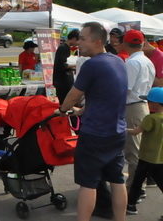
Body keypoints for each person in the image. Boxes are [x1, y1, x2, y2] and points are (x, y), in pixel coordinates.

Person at [58, 22, 128, 221]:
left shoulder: (92, 64)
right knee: (117, 179)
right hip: (117, 132)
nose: (78, 42)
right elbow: (105, 95)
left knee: (88, 183)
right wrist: (82, 110)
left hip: (96, 133)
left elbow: (73, 95)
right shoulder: (117, 61)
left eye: (82, 38)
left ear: (97, 41)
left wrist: (62, 110)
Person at [122, 29, 155, 194]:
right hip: (142, 104)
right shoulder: (147, 61)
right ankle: (138, 186)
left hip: (133, 106)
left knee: (133, 151)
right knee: (139, 149)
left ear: (125, 44)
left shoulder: (132, 62)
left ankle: (135, 189)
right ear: (142, 43)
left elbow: (125, 89)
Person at [125, 86, 163, 216]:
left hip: (146, 157)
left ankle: (131, 205)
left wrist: (123, 129)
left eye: (149, 101)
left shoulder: (150, 119)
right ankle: (131, 204)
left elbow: (136, 132)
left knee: (137, 182)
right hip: (159, 158)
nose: (147, 104)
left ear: (155, 104)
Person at [53, 29, 79, 104]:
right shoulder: (63, 48)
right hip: (62, 82)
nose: (78, 43)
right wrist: (75, 65)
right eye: (78, 40)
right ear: (74, 38)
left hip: (64, 81)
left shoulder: (67, 48)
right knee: (64, 102)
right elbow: (62, 65)